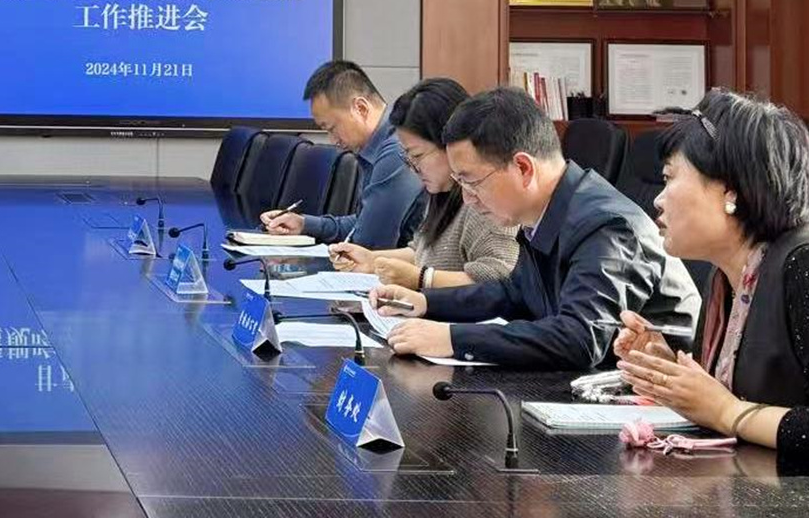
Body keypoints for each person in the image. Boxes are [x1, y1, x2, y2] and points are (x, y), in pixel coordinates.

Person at [613, 91, 809, 476]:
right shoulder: (729, 274)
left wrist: (726, 411)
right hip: (775, 491)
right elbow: (749, 397)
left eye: (670, 178)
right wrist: (671, 374)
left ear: (730, 191)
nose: (658, 199)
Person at [370, 86, 698, 367]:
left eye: (472, 182)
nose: (468, 199)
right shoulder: (546, 211)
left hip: (652, 403)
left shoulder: (608, 227)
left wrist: (452, 339)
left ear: (524, 168)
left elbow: (580, 338)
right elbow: (513, 293)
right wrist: (426, 302)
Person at [330, 78, 518, 289]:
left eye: (417, 155)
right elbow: (422, 252)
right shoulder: (441, 192)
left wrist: (422, 279)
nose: (413, 168)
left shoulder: (483, 201)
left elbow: (500, 281)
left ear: (450, 143)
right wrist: (372, 260)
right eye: (407, 157)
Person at [260, 60, 423, 249]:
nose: (332, 140)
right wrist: (304, 224)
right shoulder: (375, 146)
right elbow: (363, 223)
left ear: (361, 108)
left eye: (332, 128)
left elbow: (368, 242)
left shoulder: (396, 149)